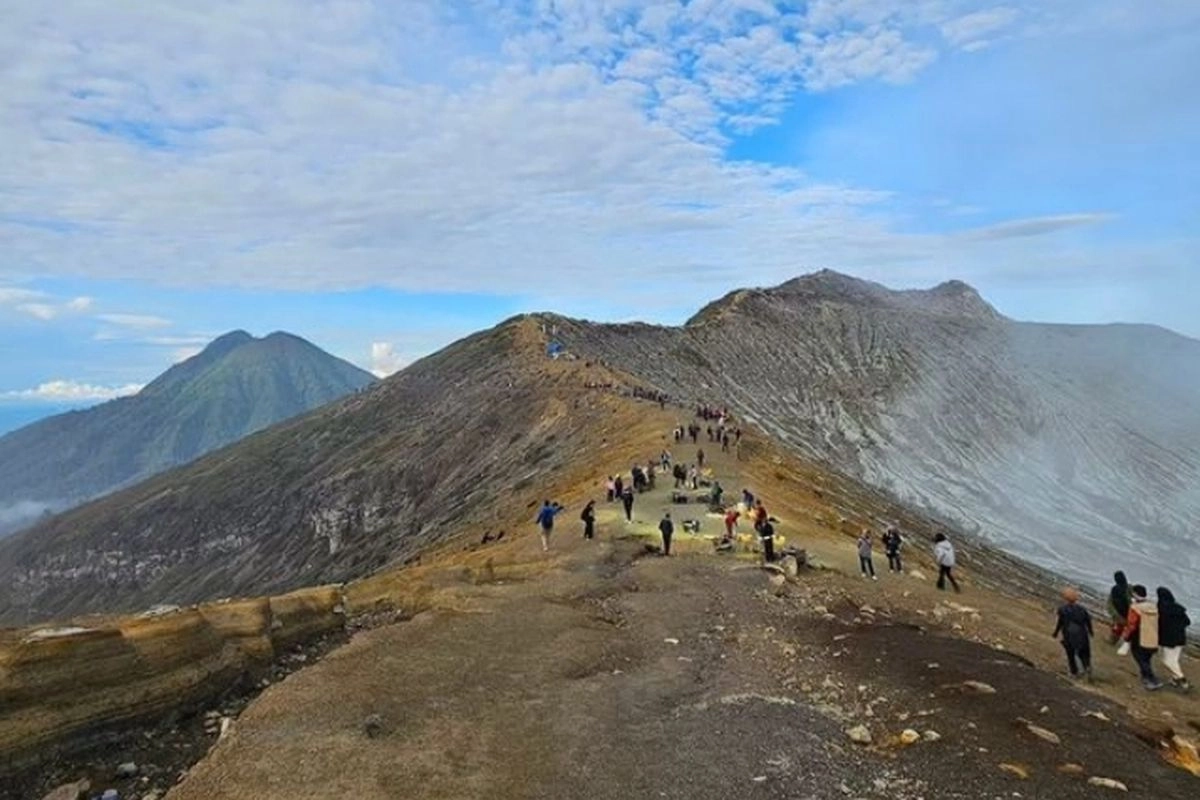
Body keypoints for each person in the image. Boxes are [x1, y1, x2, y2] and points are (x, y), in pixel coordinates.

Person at [1118, 585, 1162, 690]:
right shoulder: (1153, 606)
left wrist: (1126, 637)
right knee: (1147, 659)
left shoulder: (1135, 608)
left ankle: (1152, 680)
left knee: (1140, 659)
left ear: (1135, 594)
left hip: (1139, 638)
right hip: (1153, 637)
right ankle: (1145, 677)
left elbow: (1131, 625)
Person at [1052, 587, 1094, 681]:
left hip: (1069, 634)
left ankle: (1074, 672)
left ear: (1065, 598)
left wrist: (1056, 632)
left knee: (1070, 654)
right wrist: (1091, 632)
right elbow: (1088, 621)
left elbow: (1060, 623)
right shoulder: (1082, 609)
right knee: (1084, 653)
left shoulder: (1062, 609)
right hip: (1082, 634)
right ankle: (1087, 668)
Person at [1156, 587, 1192, 691]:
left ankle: (1182, 679)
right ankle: (1175, 679)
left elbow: (1159, 625)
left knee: (1166, 661)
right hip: (1180, 638)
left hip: (1168, 640)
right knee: (1174, 660)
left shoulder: (1161, 609)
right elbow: (1187, 622)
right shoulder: (1179, 608)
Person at [1108, 571, 1133, 643]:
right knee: (1122, 628)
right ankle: (1118, 640)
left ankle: (1112, 640)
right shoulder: (1129, 587)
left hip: (1118, 612)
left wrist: (1113, 611)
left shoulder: (1114, 588)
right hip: (1128, 612)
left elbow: (1112, 600)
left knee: (1116, 627)